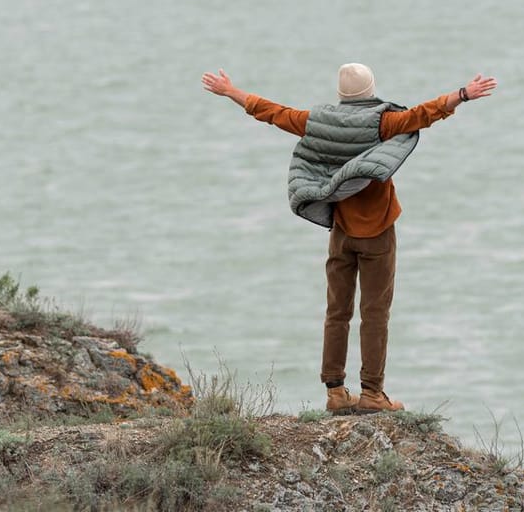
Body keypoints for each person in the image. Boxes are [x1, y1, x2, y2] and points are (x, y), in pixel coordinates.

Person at [201, 63, 497, 414]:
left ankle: (335, 392)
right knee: (375, 314)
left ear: (341, 95)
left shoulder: (317, 122)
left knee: (336, 312)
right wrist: (462, 95)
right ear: (371, 91)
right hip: (378, 233)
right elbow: (423, 114)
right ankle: (372, 394)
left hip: (341, 231)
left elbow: (273, 112)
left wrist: (231, 91)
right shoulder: (383, 123)